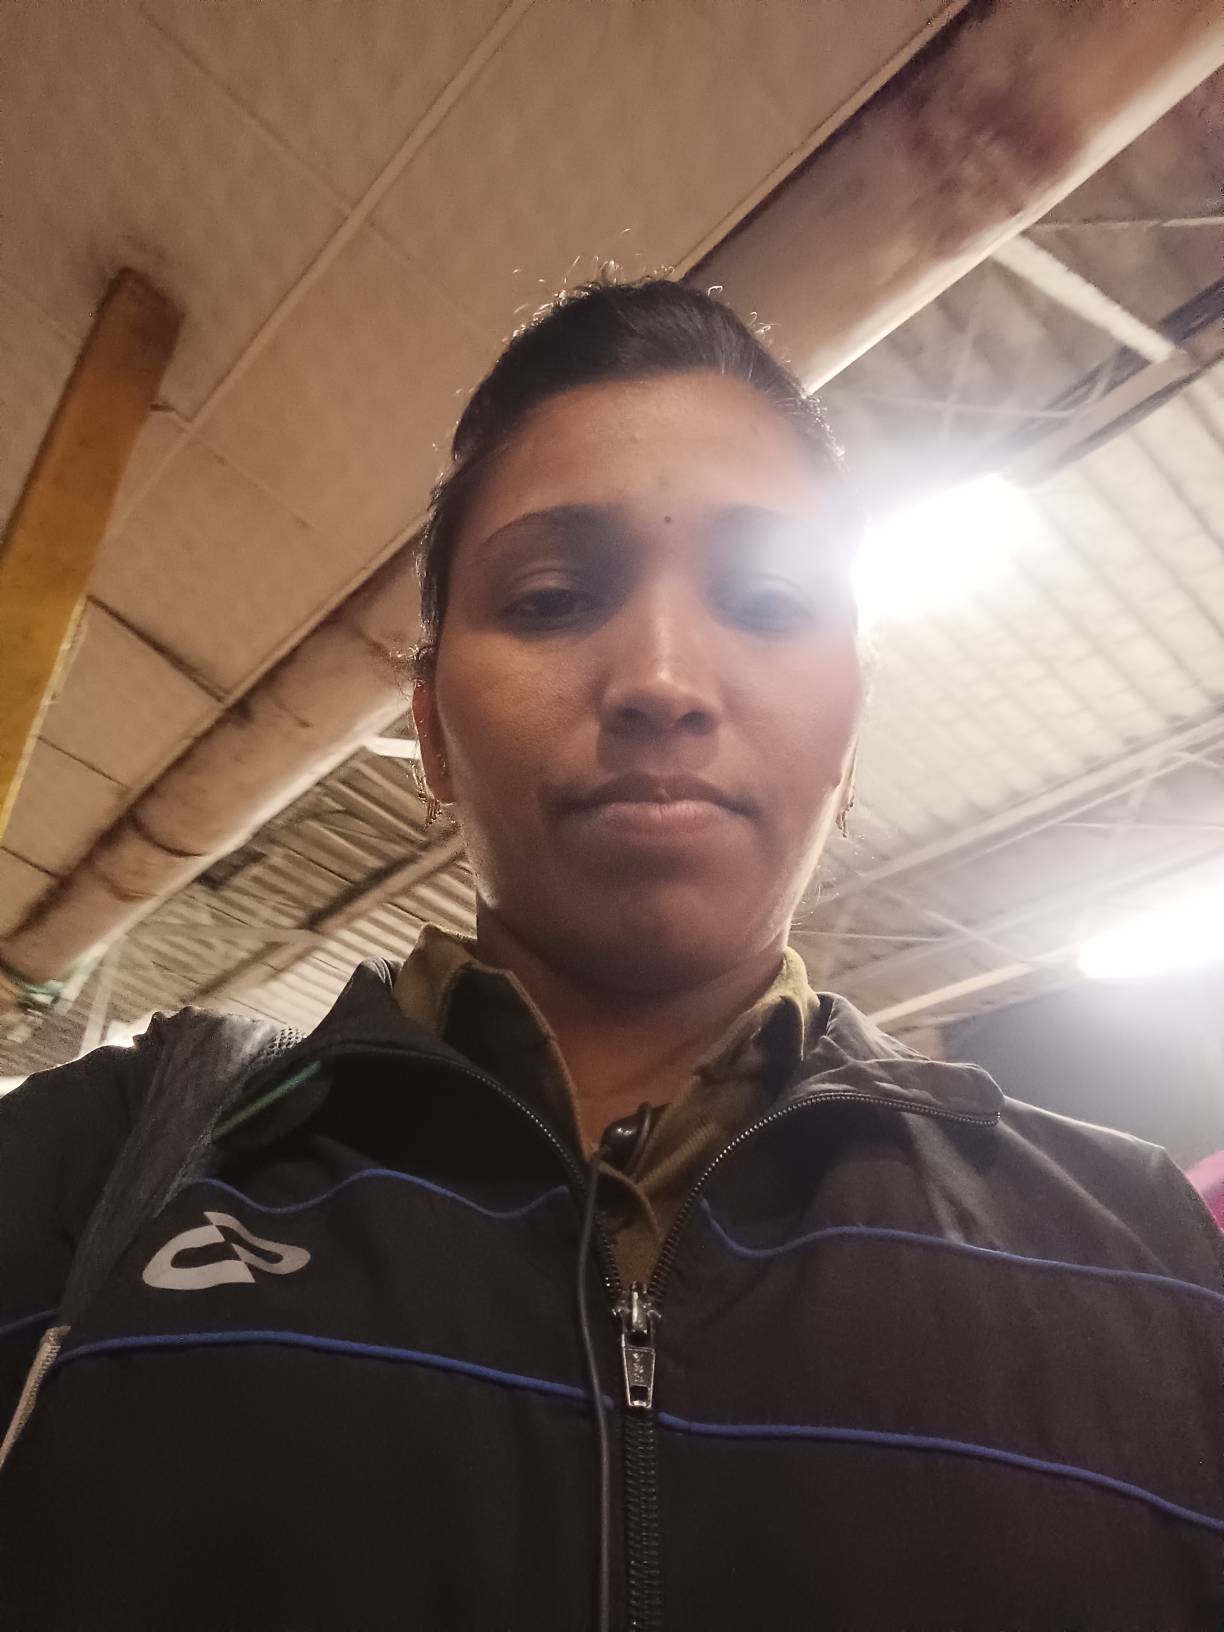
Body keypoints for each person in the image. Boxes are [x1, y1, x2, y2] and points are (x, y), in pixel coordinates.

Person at [1, 278, 1221, 1631]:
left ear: (852, 724)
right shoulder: (98, 1172)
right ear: (432, 734)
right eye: (551, 597)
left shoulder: (1144, 1255)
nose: (660, 681)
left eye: (766, 601)